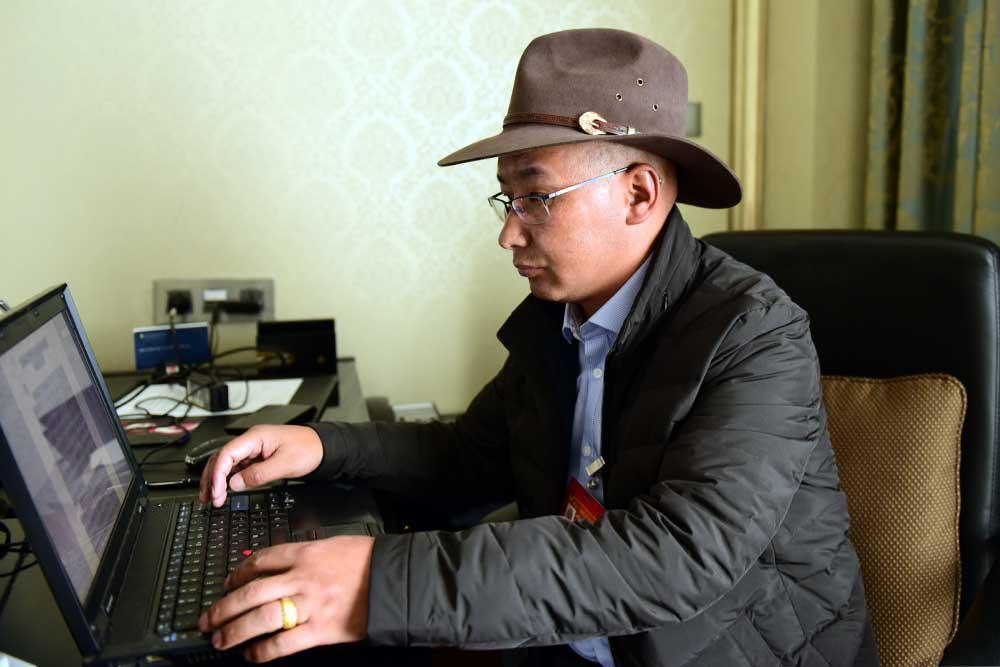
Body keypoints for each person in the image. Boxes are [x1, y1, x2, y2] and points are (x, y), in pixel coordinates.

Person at [197, 29, 878, 666]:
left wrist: (379, 583)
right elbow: (469, 458)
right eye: (508, 200)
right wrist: (324, 448)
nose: (508, 235)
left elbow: (675, 557)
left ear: (638, 193)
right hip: (568, 642)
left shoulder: (755, 334)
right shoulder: (558, 320)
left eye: (538, 197)